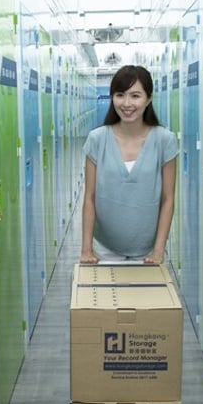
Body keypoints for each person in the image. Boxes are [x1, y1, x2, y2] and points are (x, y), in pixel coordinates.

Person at [80, 65, 178, 264]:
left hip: (148, 251)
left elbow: (168, 199)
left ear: (149, 98)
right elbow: (89, 198)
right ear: (112, 98)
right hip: (104, 249)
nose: (126, 103)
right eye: (120, 95)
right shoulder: (97, 139)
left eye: (135, 96)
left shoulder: (164, 140)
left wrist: (159, 250)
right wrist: (86, 249)